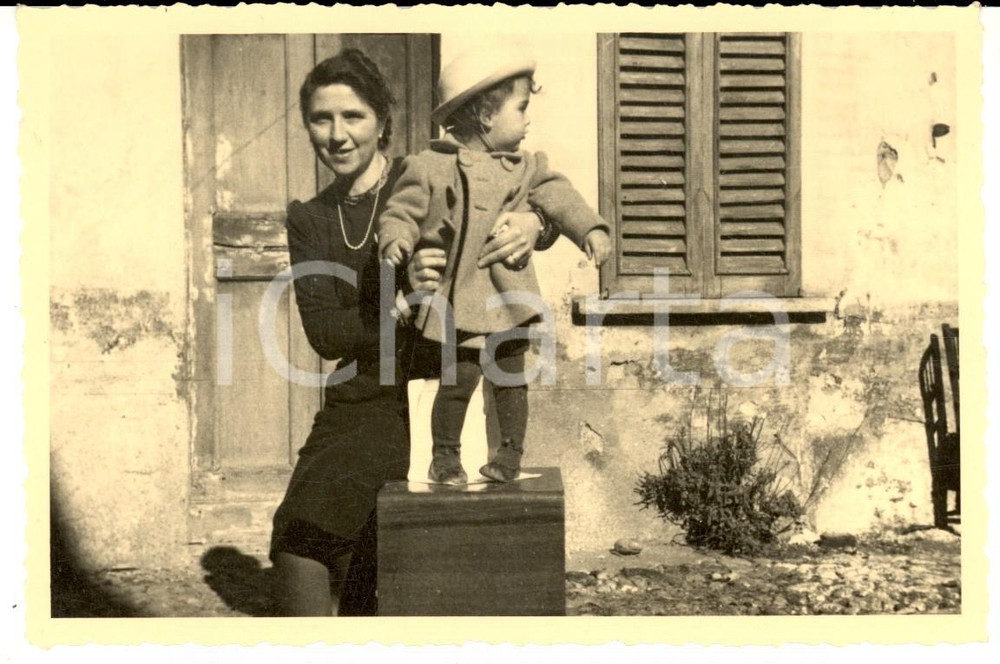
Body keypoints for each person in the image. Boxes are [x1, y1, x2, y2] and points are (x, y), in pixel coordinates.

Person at [270, 48, 555, 617]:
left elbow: (515, 184)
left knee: (394, 554)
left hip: (438, 385)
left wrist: (535, 223)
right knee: (298, 539)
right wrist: (403, 301)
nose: (338, 135)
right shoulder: (310, 218)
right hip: (358, 400)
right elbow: (327, 336)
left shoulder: (428, 171)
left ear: (382, 123)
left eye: (353, 117)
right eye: (321, 119)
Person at [377, 48, 612, 485]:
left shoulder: (527, 168)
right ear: (486, 114)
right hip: (458, 298)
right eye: (521, 108)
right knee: (457, 380)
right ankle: (445, 459)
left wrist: (590, 230)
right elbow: (400, 212)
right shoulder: (429, 166)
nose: (528, 121)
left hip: (509, 297)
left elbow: (560, 198)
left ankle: (509, 457)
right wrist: (397, 241)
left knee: (509, 380)